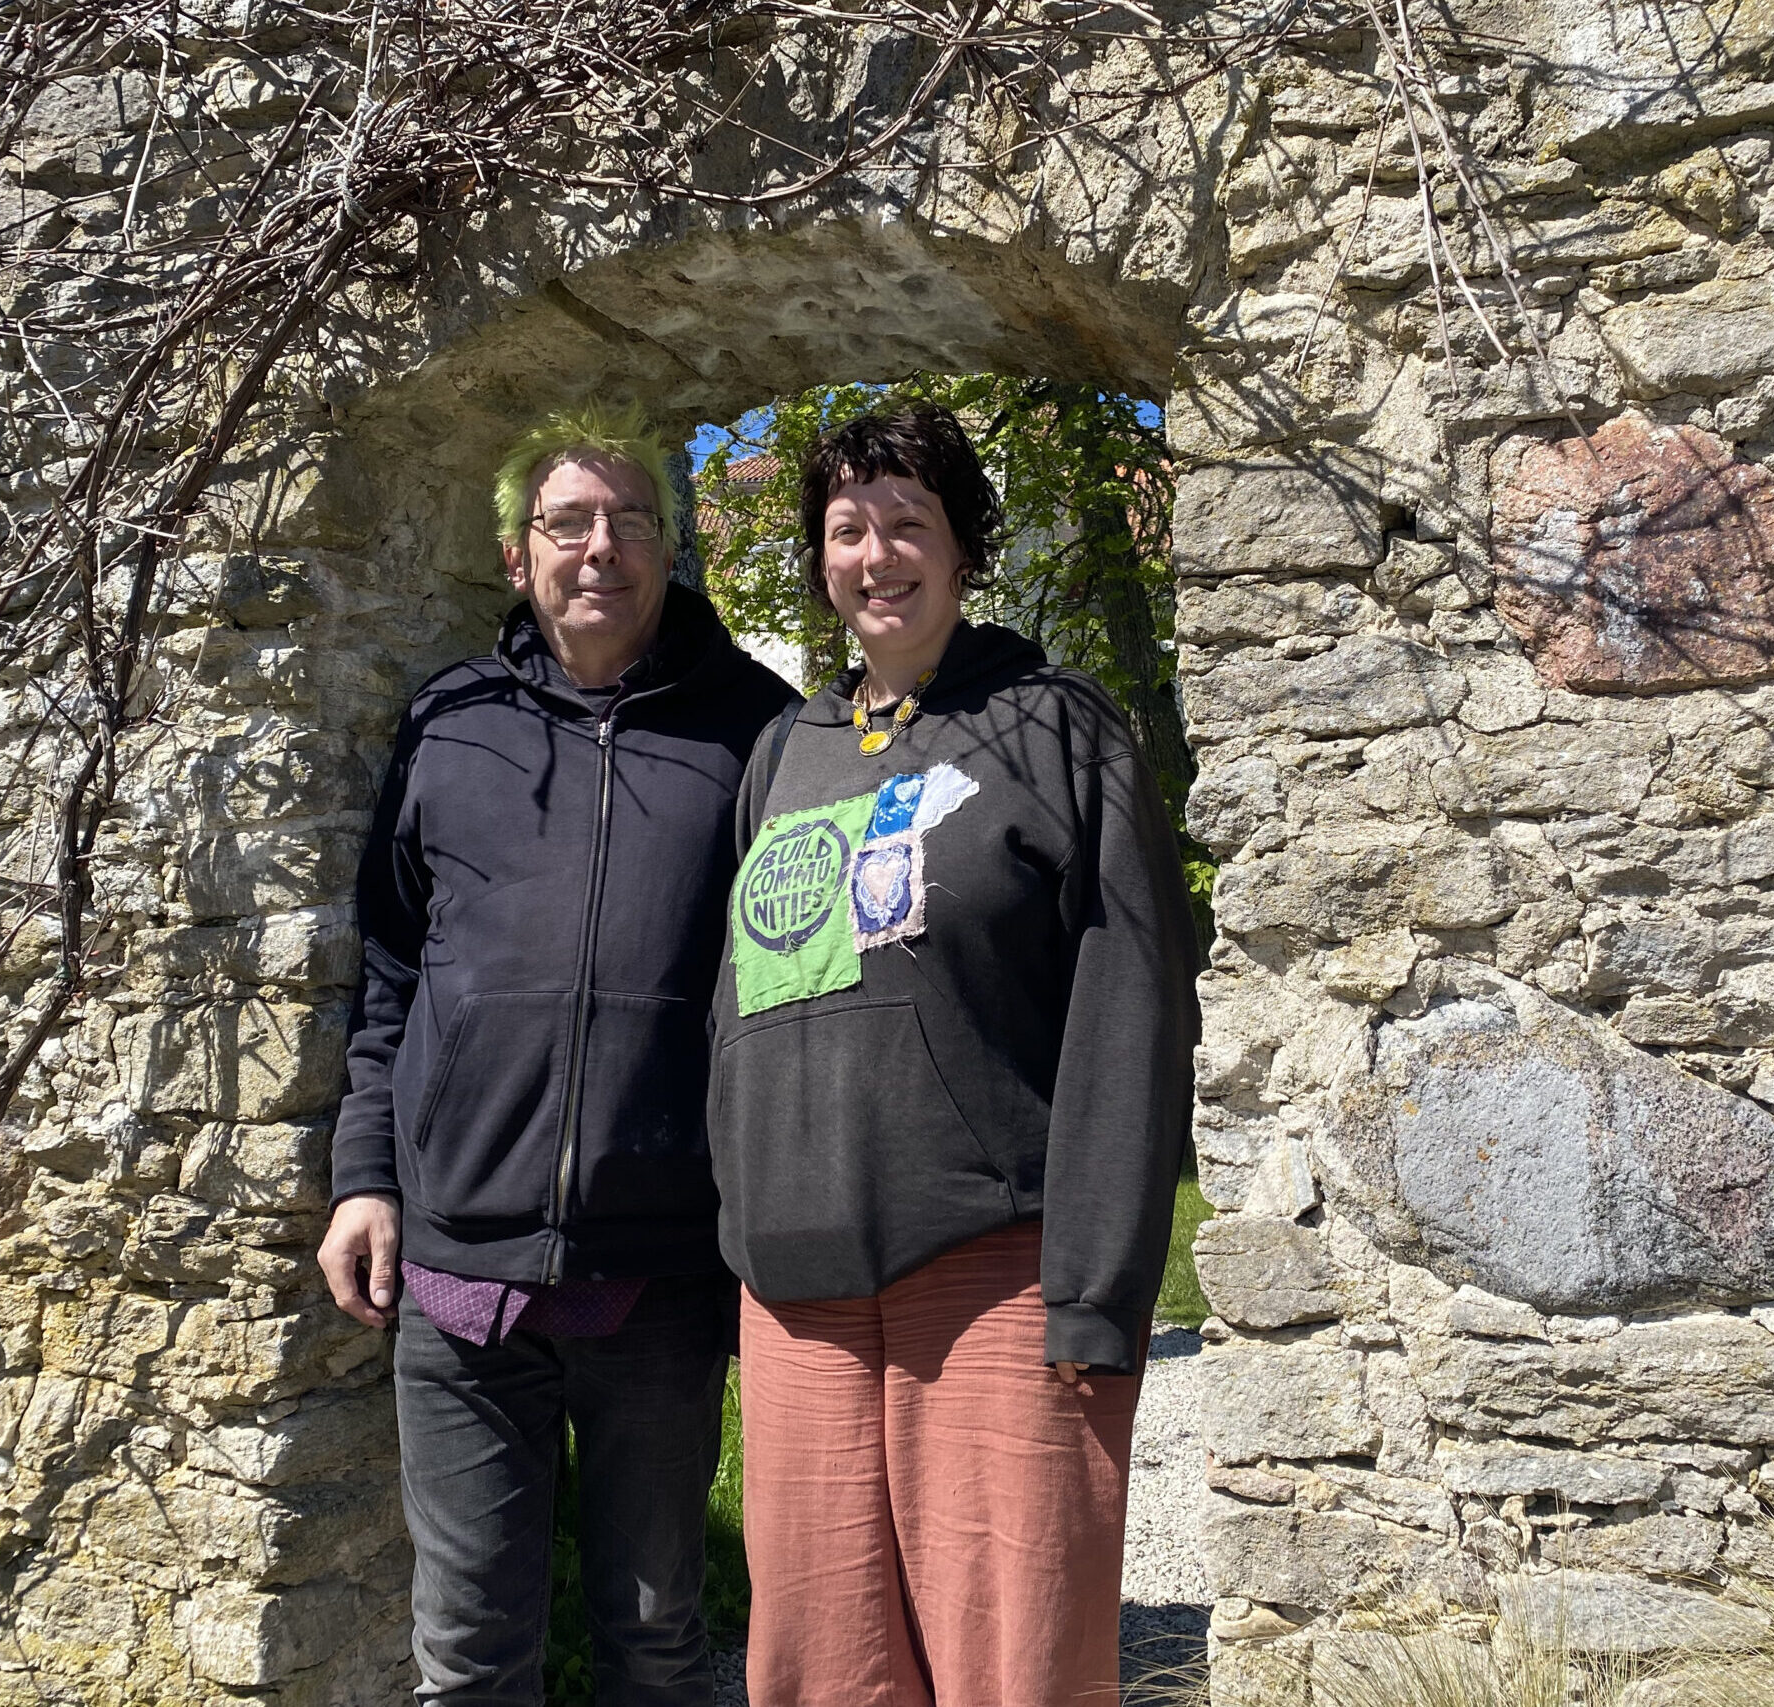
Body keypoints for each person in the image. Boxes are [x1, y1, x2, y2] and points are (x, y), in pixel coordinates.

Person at [707, 402, 1199, 1707]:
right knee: (824, 1674)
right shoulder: (784, 755)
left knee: (1015, 1665)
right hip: (796, 1293)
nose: (877, 555)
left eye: (908, 523)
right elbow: (738, 1011)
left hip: (996, 1271)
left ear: (965, 546)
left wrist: (1096, 1286)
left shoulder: (1055, 726)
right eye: (847, 529)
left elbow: (1133, 1004)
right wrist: (739, 1226)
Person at [319, 405, 796, 1706]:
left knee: (657, 1642)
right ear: (517, 553)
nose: (602, 547)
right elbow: (391, 973)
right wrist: (366, 1178)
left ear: (670, 547)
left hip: (662, 1270)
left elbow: (792, 993)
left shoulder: (760, 732)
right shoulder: (450, 722)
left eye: (632, 519)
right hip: (458, 1274)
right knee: (470, 1656)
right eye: (569, 520)